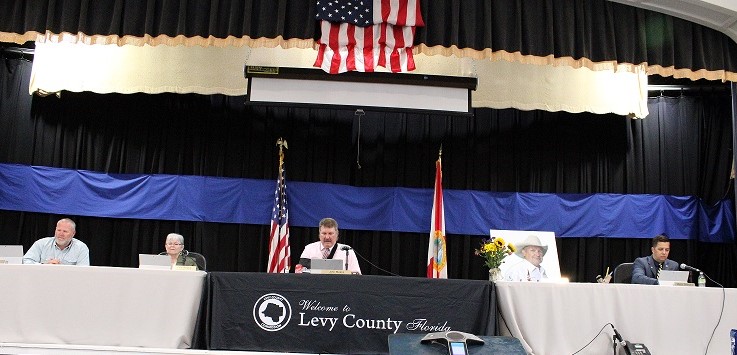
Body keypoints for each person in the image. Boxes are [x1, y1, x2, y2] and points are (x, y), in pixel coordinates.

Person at [23, 218, 90, 265]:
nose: (61, 234)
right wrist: (44, 265)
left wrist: (62, 269)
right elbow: (26, 261)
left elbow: (83, 271)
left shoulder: (81, 248)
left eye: (65, 231)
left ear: (73, 233)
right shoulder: (41, 243)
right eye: (59, 230)